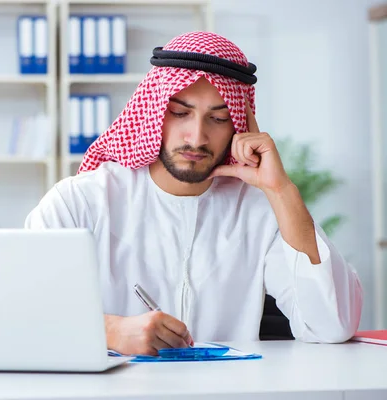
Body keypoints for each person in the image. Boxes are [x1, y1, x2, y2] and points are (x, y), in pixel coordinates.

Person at [24, 31, 363, 356]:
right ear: (154, 111)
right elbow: (20, 313)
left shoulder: (260, 209)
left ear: (238, 127)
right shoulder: (80, 202)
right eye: (180, 113)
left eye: (218, 118)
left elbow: (331, 326)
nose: (196, 137)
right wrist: (110, 331)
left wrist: (281, 189)